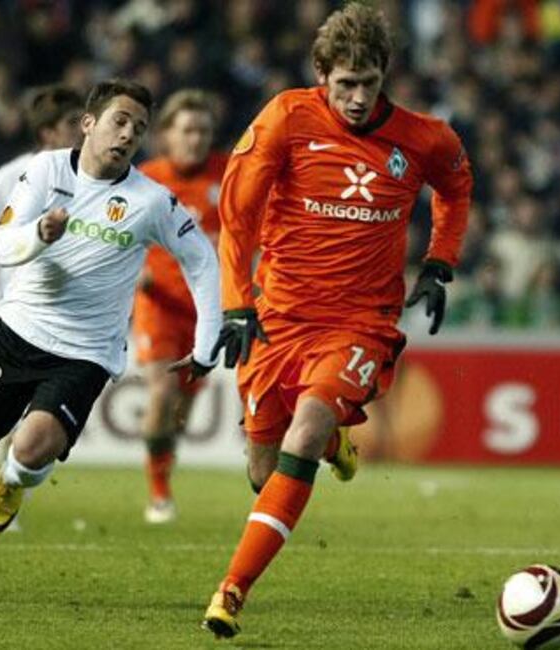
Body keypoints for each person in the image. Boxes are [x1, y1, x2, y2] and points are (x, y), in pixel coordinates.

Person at [201, 3, 472, 638]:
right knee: (263, 471)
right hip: (281, 315)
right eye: (343, 83)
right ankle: (332, 444)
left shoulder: (425, 137)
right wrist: (237, 302)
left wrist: (439, 263)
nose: (354, 98)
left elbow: (457, 190)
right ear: (321, 73)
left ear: (386, 76)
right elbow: (237, 218)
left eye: (368, 83)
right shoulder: (285, 118)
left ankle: (230, 590)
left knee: (304, 428)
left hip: (360, 321)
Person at [0, 79, 222, 604]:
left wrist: (207, 341)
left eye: (139, 128)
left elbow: (203, 263)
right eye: (119, 121)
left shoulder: (151, 201)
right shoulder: (45, 170)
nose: (128, 134)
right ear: (88, 124)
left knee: (33, 447)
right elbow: (1, 242)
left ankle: (13, 479)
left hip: (87, 352)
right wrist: (39, 236)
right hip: (15, 336)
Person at [0, 85, 83, 532]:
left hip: (66, 312)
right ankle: (5, 492)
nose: (82, 131)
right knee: (12, 404)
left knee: (43, 412)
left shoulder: (91, 175)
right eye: (73, 124)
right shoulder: (12, 174)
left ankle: (9, 486)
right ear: (48, 131)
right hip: (12, 306)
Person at [131, 89, 227, 524]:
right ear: (167, 134)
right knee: (162, 391)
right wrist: (131, 271)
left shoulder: (228, 175)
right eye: (187, 130)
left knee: (181, 412)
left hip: (207, 312)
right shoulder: (146, 179)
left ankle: (162, 473)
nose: (196, 139)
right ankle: (158, 493)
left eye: (204, 131)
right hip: (159, 305)